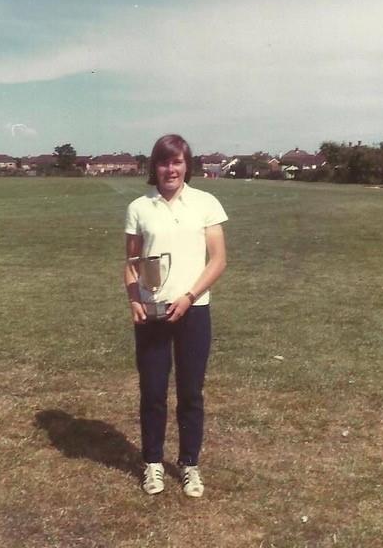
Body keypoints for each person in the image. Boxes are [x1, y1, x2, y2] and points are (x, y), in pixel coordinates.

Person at [124, 134, 228, 497]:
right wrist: (133, 299)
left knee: (190, 392)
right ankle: (152, 462)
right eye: (165, 162)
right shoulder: (140, 207)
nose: (171, 169)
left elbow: (218, 260)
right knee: (152, 390)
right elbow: (132, 263)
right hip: (152, 312)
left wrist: (189, 296)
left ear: (187, 165)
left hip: (194, 310)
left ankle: (189, 464)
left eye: (178, 162)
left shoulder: (205, 203)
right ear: (155, 166)